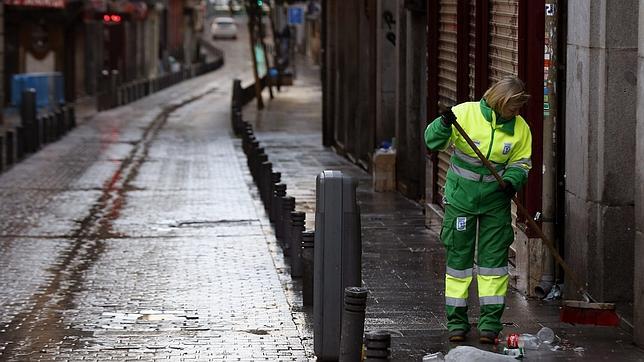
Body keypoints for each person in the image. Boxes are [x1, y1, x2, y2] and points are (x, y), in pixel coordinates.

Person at [424, 76, 532, 344]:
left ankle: (490, 325)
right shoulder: (465, 114)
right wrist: (442, 124)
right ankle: (457, 323)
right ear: (501, 101)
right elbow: (431, 141)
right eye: (513, 107)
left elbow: (522, 162)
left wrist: (512, 181)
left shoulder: (520, 128)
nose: (517, 113)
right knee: (459, 263)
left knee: (493, 265)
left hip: (495, 202)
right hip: (461, 200)